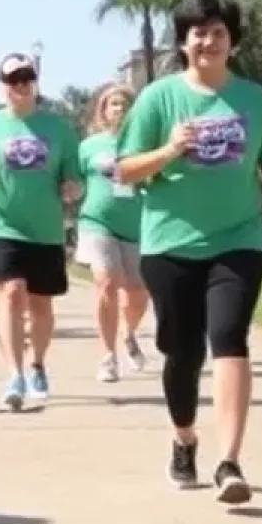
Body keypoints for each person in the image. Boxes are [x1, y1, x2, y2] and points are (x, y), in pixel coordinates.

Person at [116, 0, 262, 505]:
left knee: (229, 337)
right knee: (182, 352)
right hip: (170, 243)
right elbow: (125, 169)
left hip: (238, 238)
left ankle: (230, 462)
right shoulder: (159, 99)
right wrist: (170, 149)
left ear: (233, 41)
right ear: (184, 42)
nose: (208, 40)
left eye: (218, 32)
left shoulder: (253, 100)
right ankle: (185, 439)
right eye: (198, 32)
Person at [0, 53, 82, 411]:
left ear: (36, 82)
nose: (21, 85)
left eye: (27, 78)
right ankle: (14, 374)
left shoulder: (59, 129)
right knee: (11, 292)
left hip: (45, 229)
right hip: (1, 225)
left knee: (42, 306)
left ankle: (37, 364)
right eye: (14, 80)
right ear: (3, 86)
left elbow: (74, 178)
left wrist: (73, 189)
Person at [76, 84, 149, 380]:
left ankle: (128, 333)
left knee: (138, 294)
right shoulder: (88, 147)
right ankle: (108, 356)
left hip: (137, 225)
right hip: (97, 222)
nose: (119, 109)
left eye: (125, 104)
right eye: (113, 104)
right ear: (103, 111)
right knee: (106, 282)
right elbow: (74, 180)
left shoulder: (146, 144)